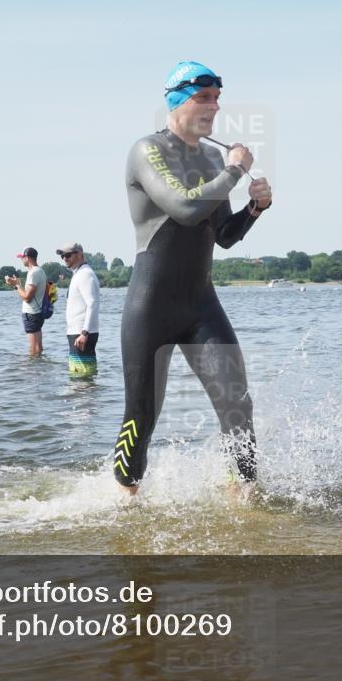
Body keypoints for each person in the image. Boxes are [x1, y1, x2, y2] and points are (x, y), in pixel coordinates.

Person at [112, 61, 273, 495]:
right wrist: (236, 172)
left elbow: (222, 235)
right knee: (141, 417)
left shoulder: (210, 156)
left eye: (217, 99)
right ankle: (127, 499)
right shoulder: (147, 151)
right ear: (177, 101)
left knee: (237, 405)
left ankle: (246, 501)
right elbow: (183, 209)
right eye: (204, 98)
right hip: (152, 307)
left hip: (201, 305)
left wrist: (255, 209)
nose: (213, 107)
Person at [57, 242, 100, 375]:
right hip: (76, 332)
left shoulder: (85, 274)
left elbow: (92, 303)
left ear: (79, 254)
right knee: (77, 374)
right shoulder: (78, 273)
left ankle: (85, 396)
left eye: (68, 255)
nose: (65, 258)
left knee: (83, 376)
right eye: (62, 256)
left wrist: (84, 333)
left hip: (82, 334)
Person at [6, 247, 48, 356]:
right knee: (38, 347)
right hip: (38, 313)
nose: (21, 260)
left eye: (22, 257)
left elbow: (27, 297)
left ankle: (32, 370)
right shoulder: (41, 271)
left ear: (27, 258)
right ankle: (39, 368)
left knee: (33, 348)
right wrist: (18, 284)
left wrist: (16, 285)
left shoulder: (33, 273)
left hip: (31, 313)